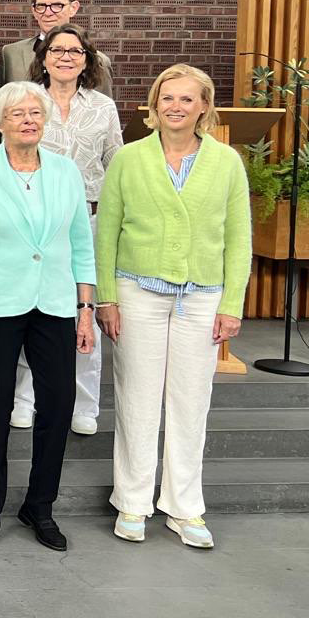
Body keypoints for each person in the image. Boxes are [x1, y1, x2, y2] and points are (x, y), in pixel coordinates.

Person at [97, 65, 250, 550]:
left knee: (190, 402)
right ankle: (133, 501)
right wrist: (106, 296)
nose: (176, 107)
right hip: (137, 292)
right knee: (137, 400)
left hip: (202, 297)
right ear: (153, 105)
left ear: (204, 106)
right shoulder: (129, 158)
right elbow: (107, 231)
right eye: (168, 98)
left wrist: (233, 303)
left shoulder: (226, 162)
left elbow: (239, 239)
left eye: (187, 99)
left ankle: (184, 507)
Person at [0, 82, 96, 553]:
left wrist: (85, 309)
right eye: (17, 114)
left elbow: (81, 244)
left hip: (54, 303)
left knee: (56, 408)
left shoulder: (66, 172)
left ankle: (41, 506)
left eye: (36, 112)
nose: (28, 120)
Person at [11, 23, 123, 437]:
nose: (65, 57)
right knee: (30, 307)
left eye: (75, 51)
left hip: (87, 222)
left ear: (86, 59)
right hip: (35, 222)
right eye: (57, 50)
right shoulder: (26, 102)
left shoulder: (102, 107)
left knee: (84, 313)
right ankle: (26, 398)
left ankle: (84, 404)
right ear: (44, 57)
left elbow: (116, 165)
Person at [1, 0, 115, 93]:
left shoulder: (98, 61)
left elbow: (103, 109)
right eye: (41, 6)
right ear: (34, 11)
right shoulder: (11, 54)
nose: (48, 12)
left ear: (73, 8)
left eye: (57, 5)